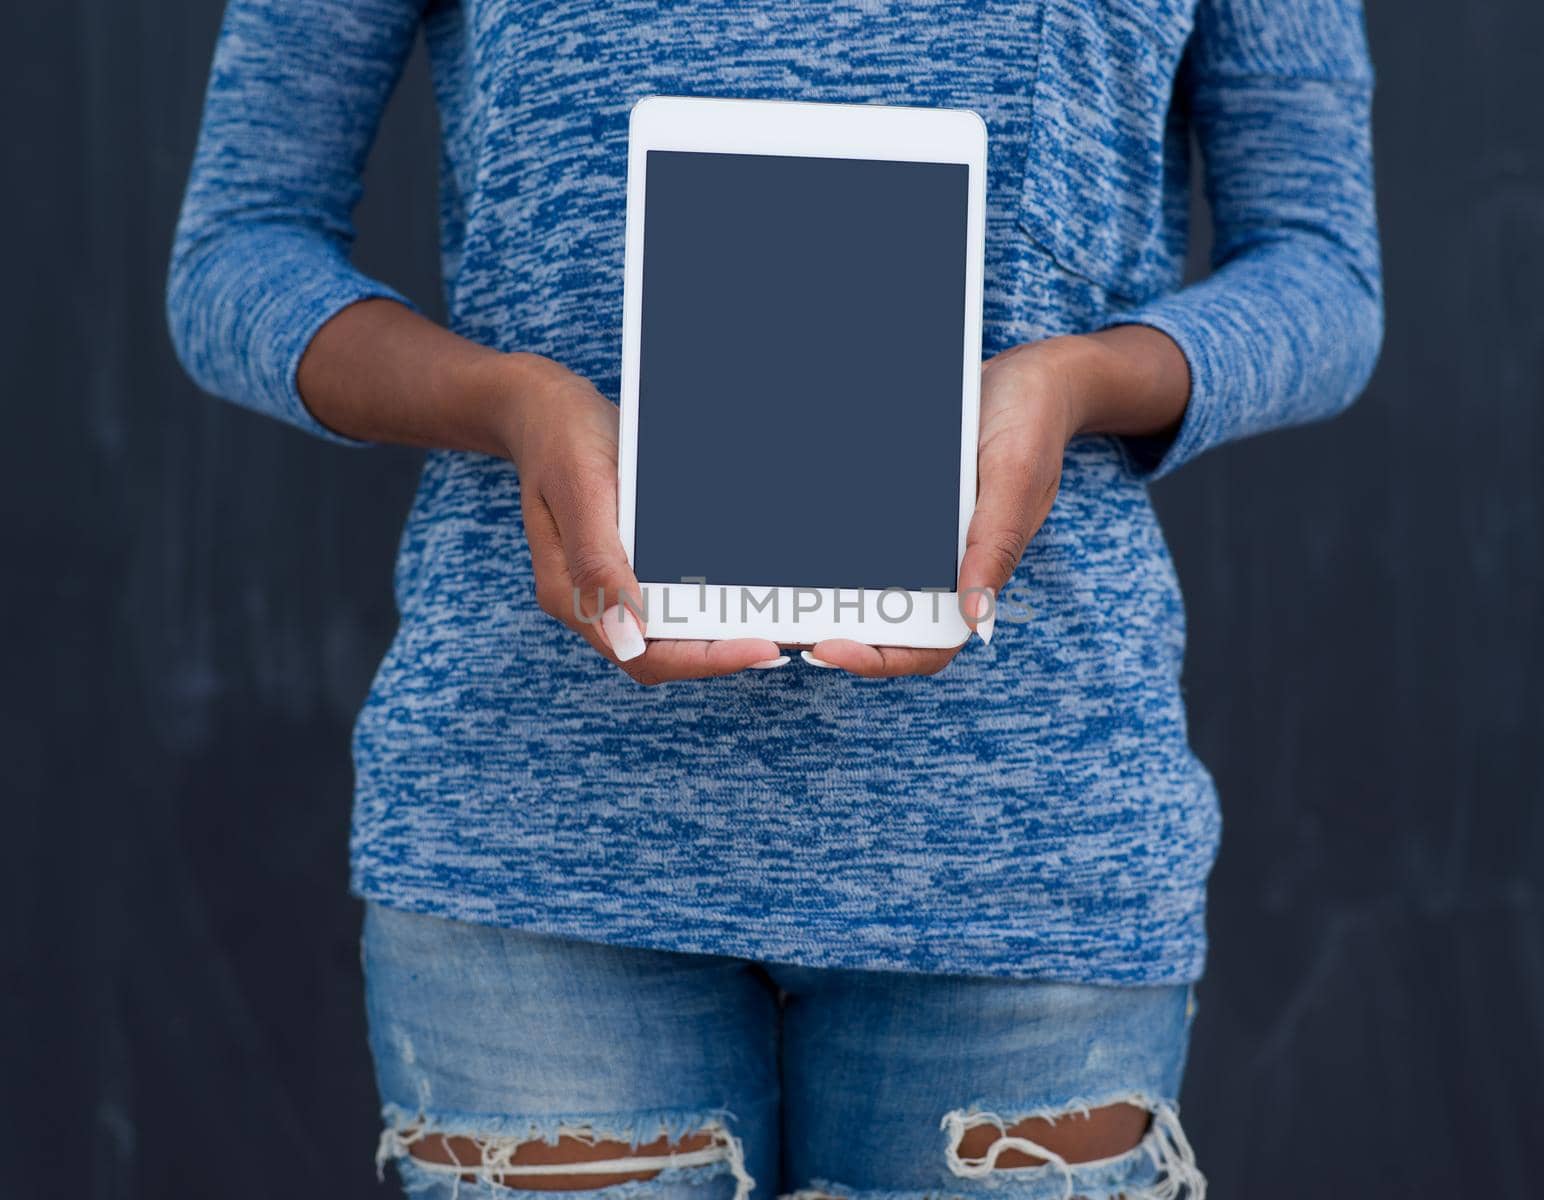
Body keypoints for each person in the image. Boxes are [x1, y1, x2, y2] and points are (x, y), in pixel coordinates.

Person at [167, 0, 1381, 1195]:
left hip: (1018, 856)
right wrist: (509, 400)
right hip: (544, 831)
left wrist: (1080, 379)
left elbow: (1323, 272)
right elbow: (238, 247)